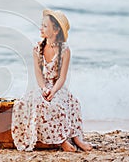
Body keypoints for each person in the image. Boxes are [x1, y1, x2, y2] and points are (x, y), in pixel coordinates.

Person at [11, 9, 92, 152]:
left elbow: (62, 78)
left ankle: (76, 138)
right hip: (42, 85)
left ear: (55, 31)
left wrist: (53, 91)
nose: (40, 28)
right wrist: (44, 89)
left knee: (70, 103)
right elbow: (38, 74)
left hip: (57, 87)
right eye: (41, 25)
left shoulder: (65, 50)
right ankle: (61, 141)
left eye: (45, 26)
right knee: (36, 104)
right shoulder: (37, 48)